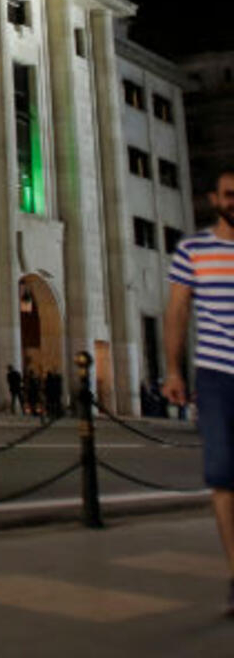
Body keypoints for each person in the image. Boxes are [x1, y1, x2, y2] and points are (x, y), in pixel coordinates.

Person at [164, 166, 234, 618]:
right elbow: (176, 311)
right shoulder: (192, 249)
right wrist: (173, 371)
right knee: (224, 477)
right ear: (215, 199)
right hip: (216, 375)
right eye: (229, 194)